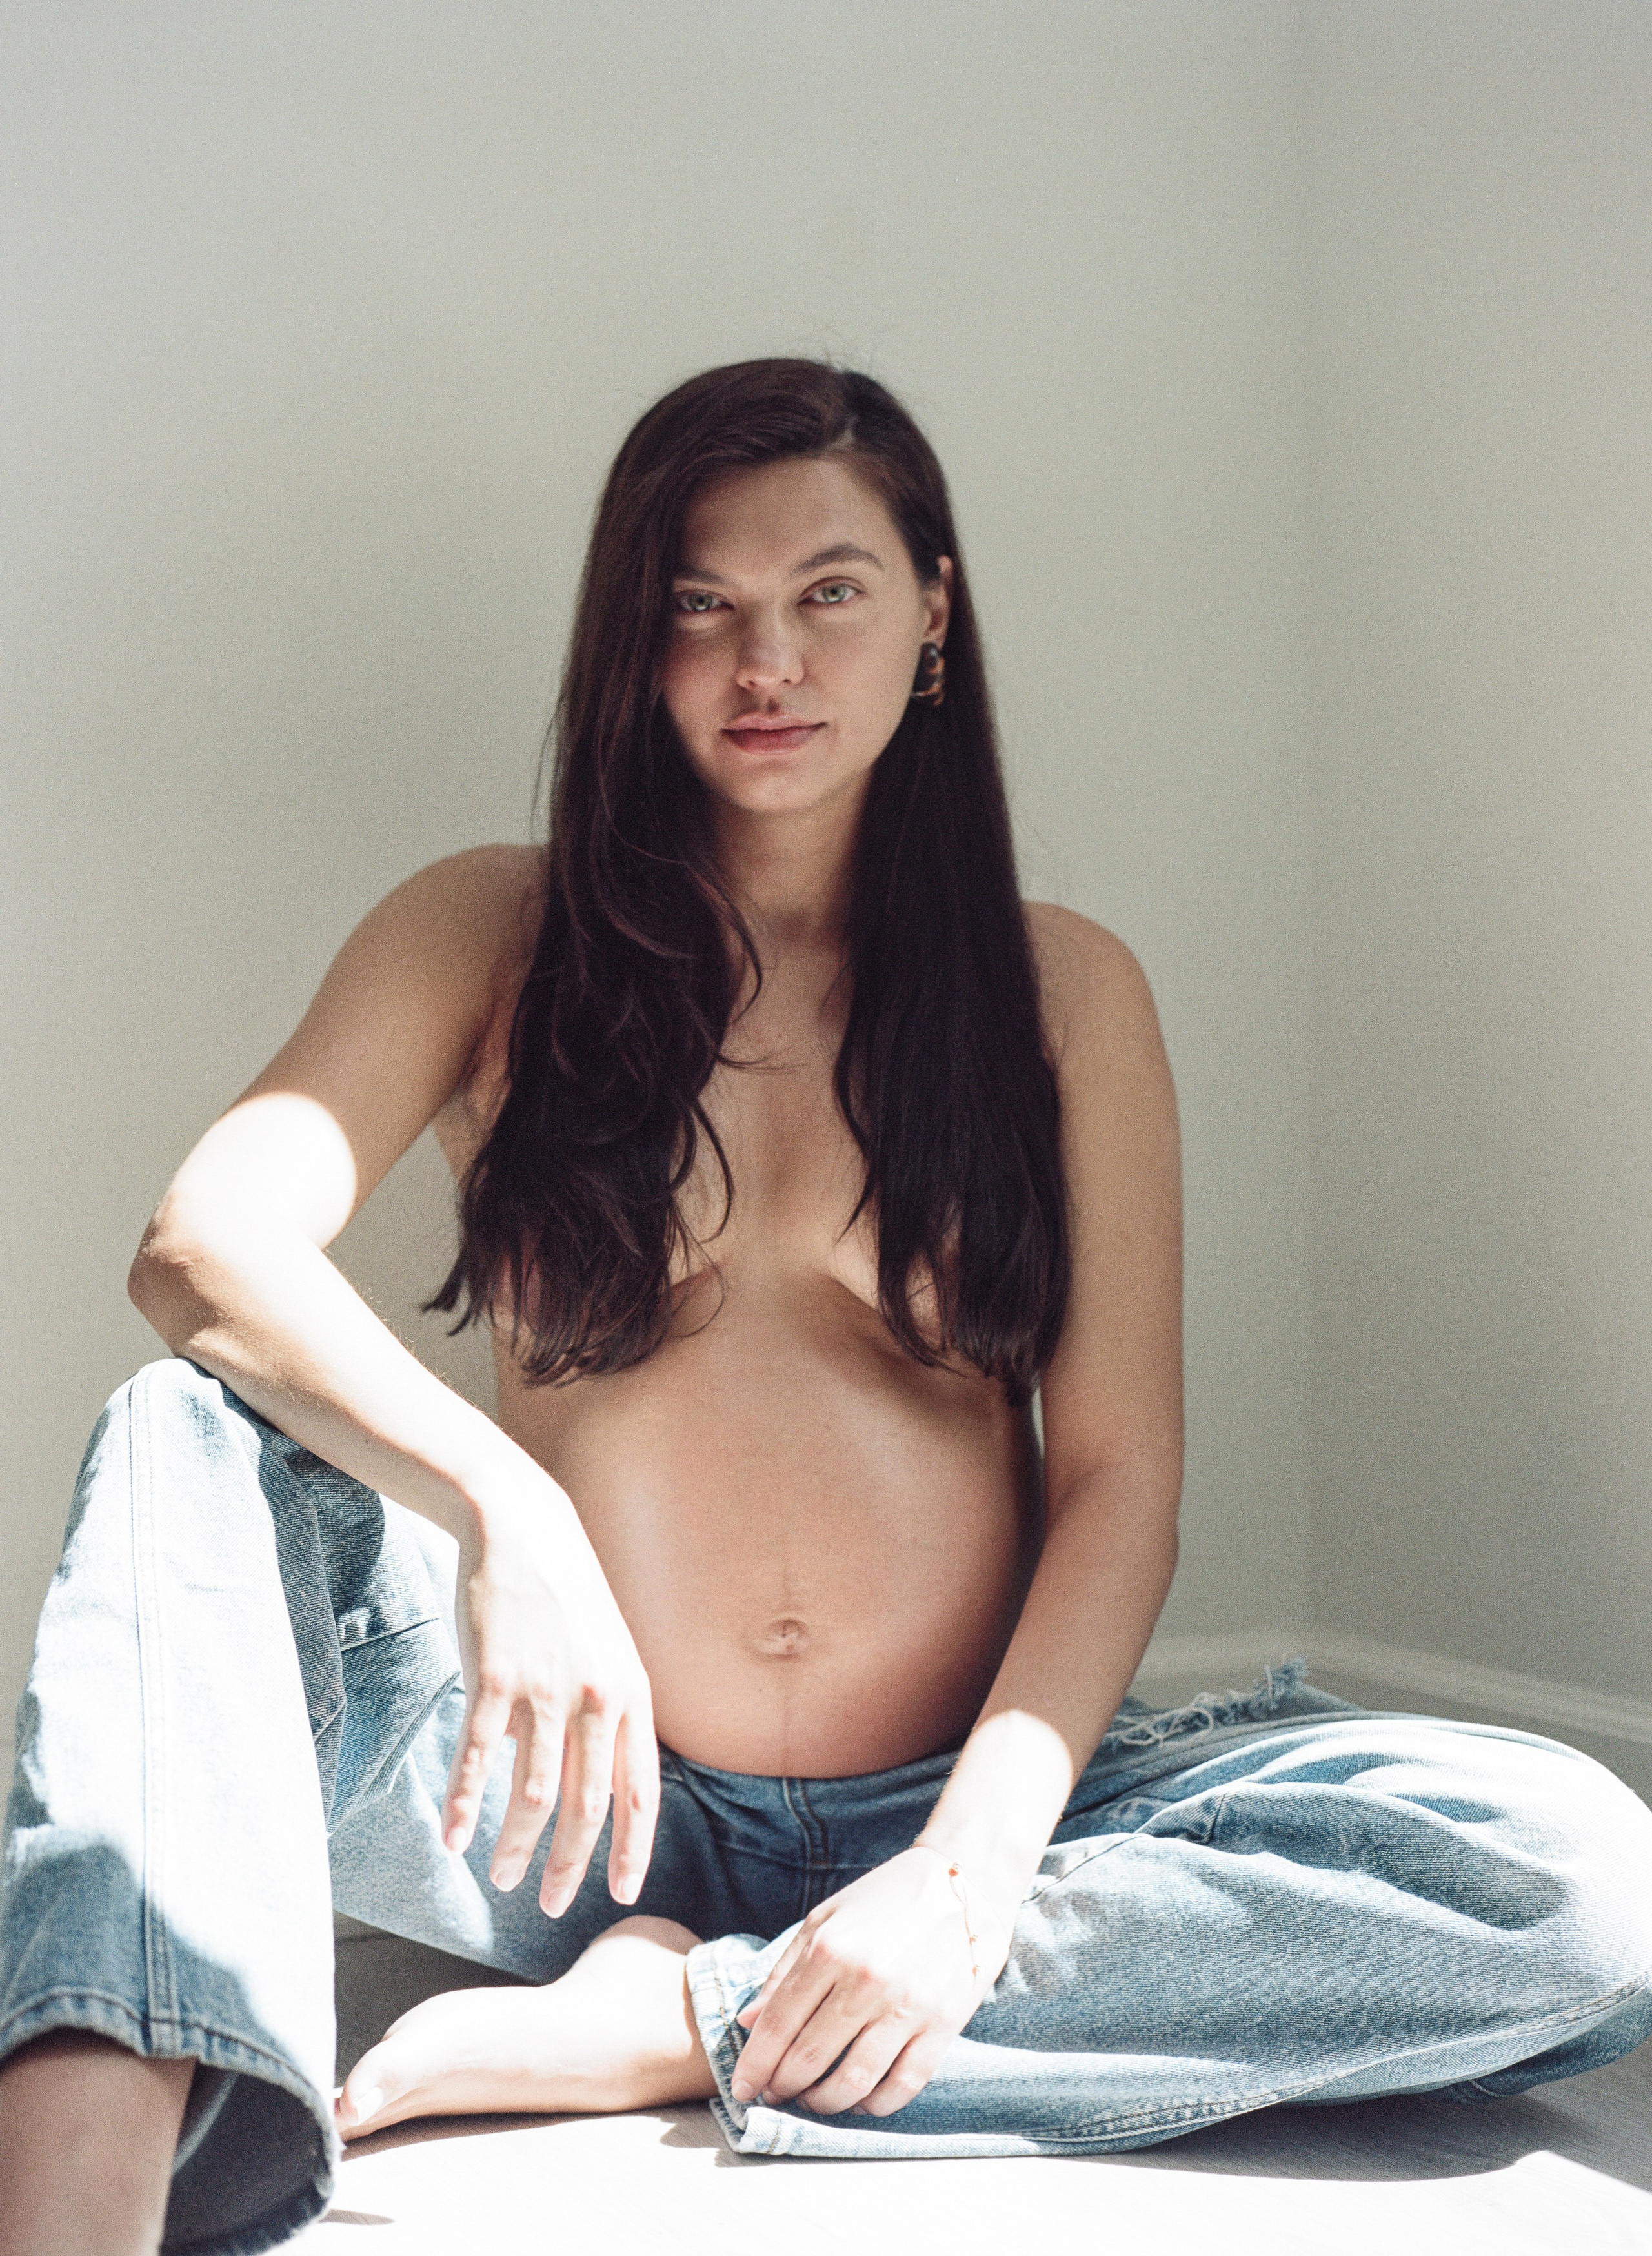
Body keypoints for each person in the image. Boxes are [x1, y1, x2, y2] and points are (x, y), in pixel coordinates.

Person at [3, 359, 1649, 2256]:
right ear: (635, 640)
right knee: (175, 1431)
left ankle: (693, 2020)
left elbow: (1119, 1479)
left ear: (934, 611)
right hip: (560, 1803)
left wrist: (967, 1877)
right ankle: (80, 2200)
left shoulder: (1063, 993)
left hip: (985, 1801)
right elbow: (204, 1242)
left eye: (829, 591)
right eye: (700, 603)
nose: (763, 661)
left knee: (1582, 1883)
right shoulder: (494, 933)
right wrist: (506, 1509)